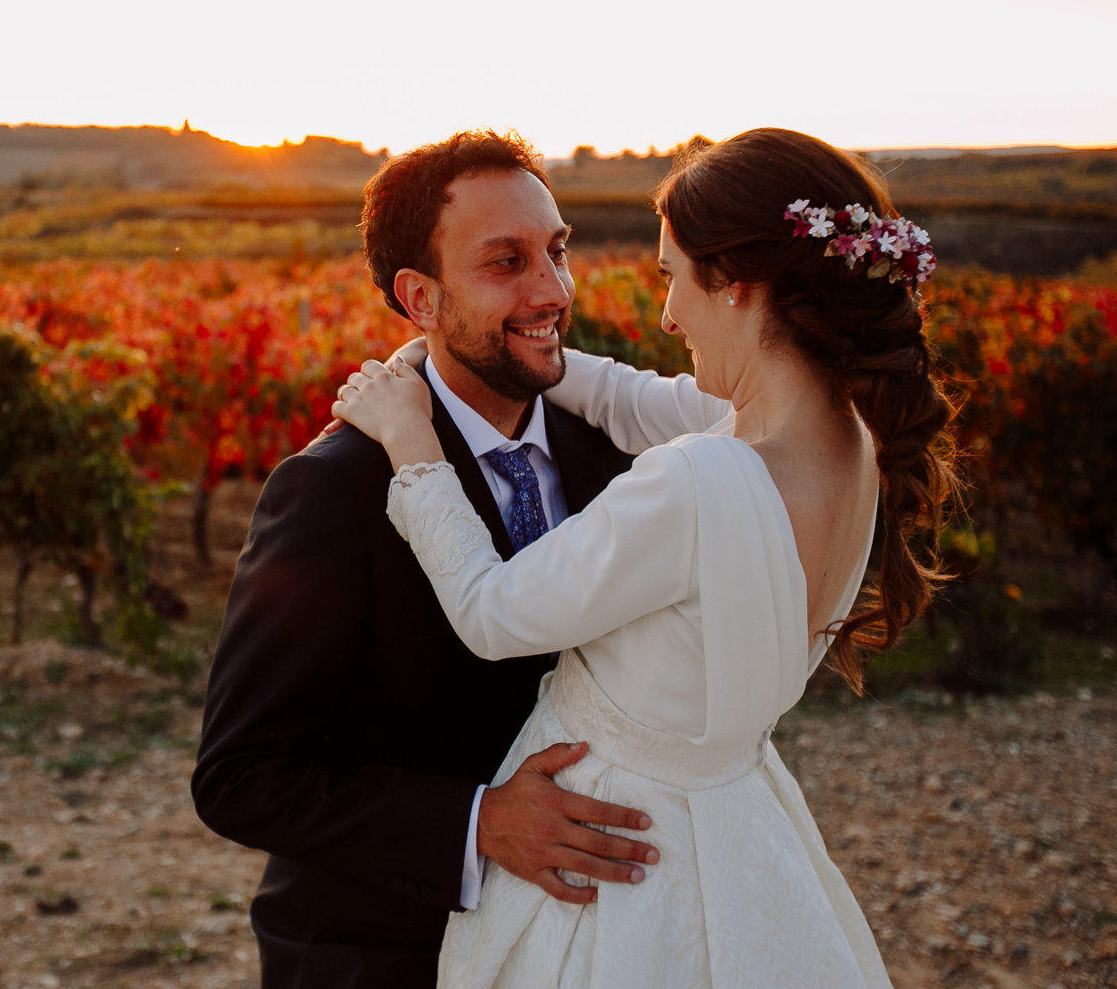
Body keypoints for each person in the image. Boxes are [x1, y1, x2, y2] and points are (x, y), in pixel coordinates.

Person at [333, 127, 955, 987]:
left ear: (736, 286)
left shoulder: (699, 480)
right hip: (736, 834)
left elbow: (491, 613)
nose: (665, 315)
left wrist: (412, 442)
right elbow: (629, 398)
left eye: (672, 279)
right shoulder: (849, 446)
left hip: (608, 866)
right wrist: (486, 342)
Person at [194, 131, 694, 987]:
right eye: (507, 262)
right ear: (420, 299)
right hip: (389, 950)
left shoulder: (620, 456)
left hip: (591, 945)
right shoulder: (332, 491)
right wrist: (477, 822)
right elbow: (243, 775)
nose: (552, 291)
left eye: (557, 251)